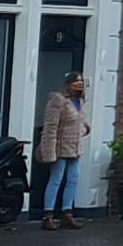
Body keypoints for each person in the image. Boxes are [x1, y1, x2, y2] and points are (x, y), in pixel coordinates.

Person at [37, 72, 87, 230]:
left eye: (81, 81)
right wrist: (49, 151)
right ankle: (48, 216)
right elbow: (50, 127)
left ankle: (67, 214)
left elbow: (80, 122)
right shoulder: (58, 101)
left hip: (75, 147)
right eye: (76, 82)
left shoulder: (80, 101)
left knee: (73, 180)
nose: (79, 84)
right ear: (68, 84)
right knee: (56, 179)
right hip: (60, 148)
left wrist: (84, 129)